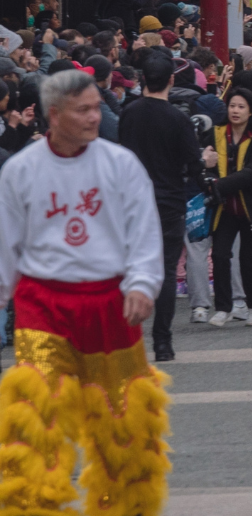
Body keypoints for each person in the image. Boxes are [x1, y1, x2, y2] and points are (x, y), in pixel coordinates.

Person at [0, 68, 171, 513]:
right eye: (84, 111)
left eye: (97, 107)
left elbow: (144, 231)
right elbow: (6, 245)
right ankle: (32, 506)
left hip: (111, 303)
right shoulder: (20, 170)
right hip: (42, 304)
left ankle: (122, 506)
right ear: (53, 115)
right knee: (36, 415)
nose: (96, 117)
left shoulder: (121, 164)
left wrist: (140, 284)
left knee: (123, 420)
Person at [117, 48, 214, 361]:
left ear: (144, 79)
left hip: (132, 201)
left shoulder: (128, 113)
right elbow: (193, 163)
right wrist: (206, 162)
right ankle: (162, 342)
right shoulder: (178, 118)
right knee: (167, 269)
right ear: (171, 80)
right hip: (169, 200)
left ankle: (127, 339)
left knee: (131, 269)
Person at [203, 87, 252, 328]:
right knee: (220, 255)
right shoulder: (215, 134)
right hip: (224, 208)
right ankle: (223, 308)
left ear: (250, 111)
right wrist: (206, 173)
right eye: (232, 106)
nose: (235, 111)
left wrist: (218, 184)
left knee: (249, 258)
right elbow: (203, 165)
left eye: (240, 106)